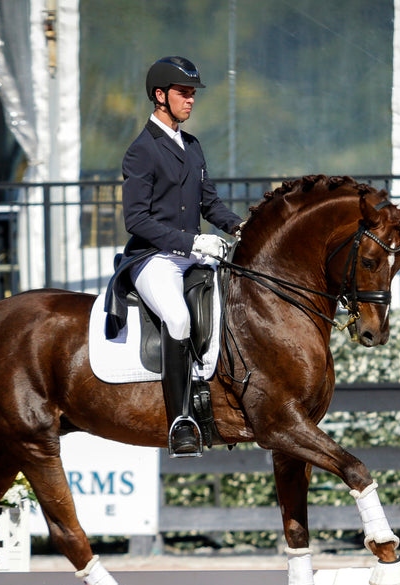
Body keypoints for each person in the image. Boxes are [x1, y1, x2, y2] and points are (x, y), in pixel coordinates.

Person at [106, 55, 243, 457]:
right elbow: (136, 220)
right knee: (179, 317)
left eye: (192, 93)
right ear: (160, 96)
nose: (191, 100)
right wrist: (191, 242)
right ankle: (181, 419)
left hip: (190, 253)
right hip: (153, 258)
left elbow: (210, 203)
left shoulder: (193, 146)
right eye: (184, 93)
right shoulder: (141, 151)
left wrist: (239, 227)